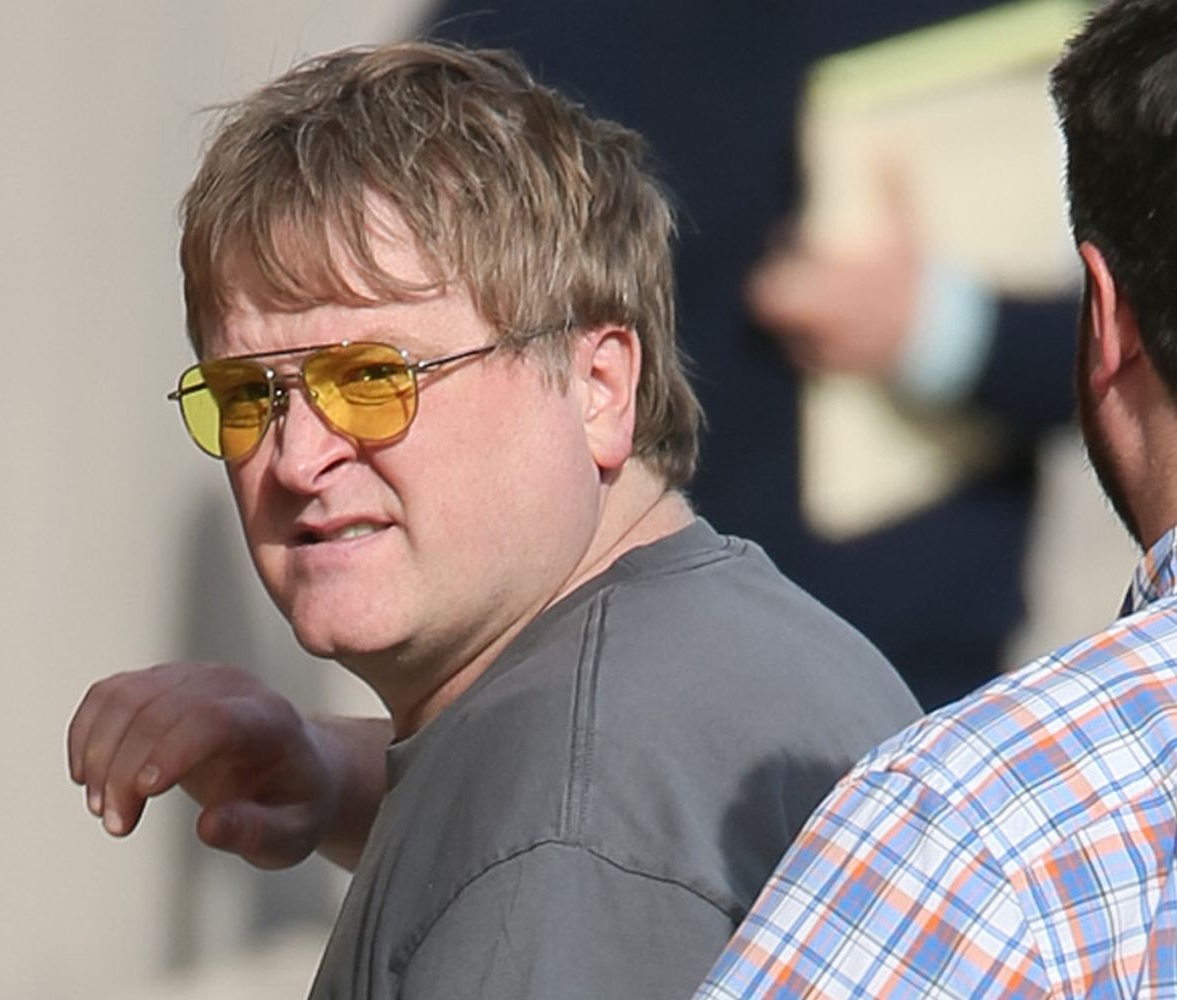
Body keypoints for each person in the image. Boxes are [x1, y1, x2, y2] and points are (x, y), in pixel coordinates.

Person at [66, 41, 921, 998]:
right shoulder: (719, 657)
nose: (298, 460)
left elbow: (563, 842)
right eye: (247, 396)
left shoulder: (571, 831)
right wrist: (342, 778)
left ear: (599, 388)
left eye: (373, 378)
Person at [698, 2, 1177, 993]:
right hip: (678, 714)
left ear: (1104, 319)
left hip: (924, 686)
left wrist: (945, 326)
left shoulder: (974, 831)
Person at [424, 0, 1081, 710]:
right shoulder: (506, 30)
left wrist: (939, 324)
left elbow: (1130, 333)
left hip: (917, 672)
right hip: (592, 674)